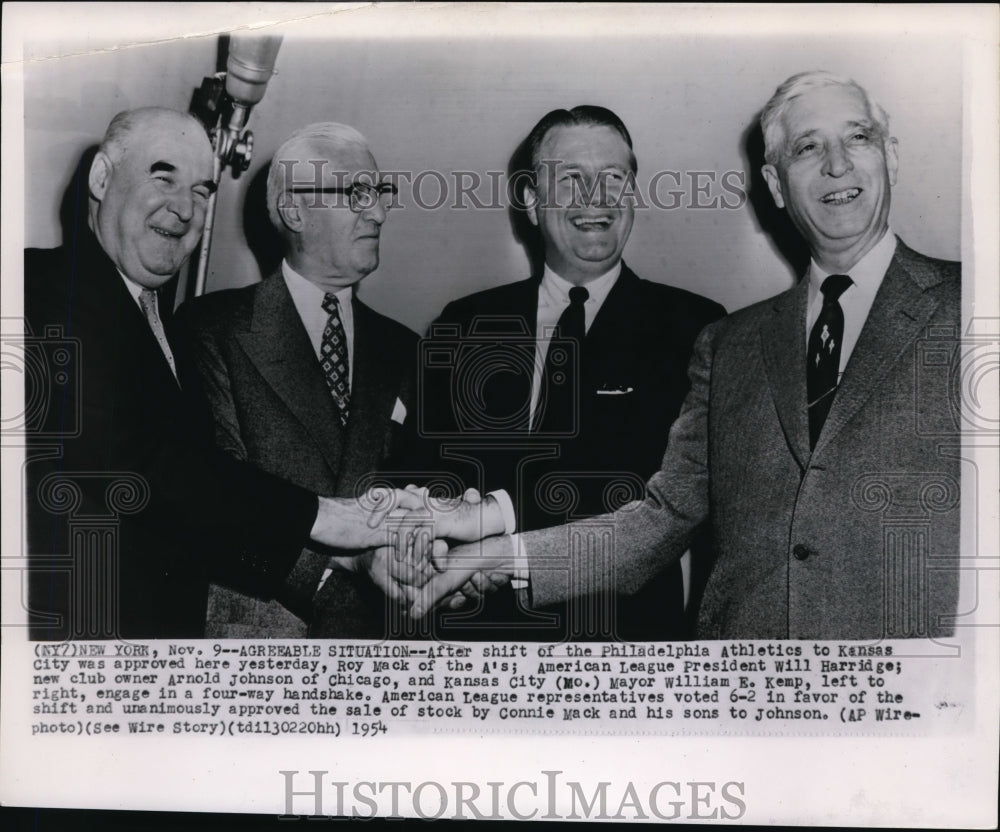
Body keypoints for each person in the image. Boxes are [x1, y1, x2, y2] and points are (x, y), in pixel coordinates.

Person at [410, 72, 962, 640]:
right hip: (744, 690)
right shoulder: (734, 343)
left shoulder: (976, 306)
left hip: (920, 685)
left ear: (891, 157)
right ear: (774, 184)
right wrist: (491, 557)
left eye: (858, 138)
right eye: (807, 147)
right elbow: (660, 519)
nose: (836, 165)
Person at [23, 107, 422, 640]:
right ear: (101, 178)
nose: (185, 209)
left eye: (202, 191)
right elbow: (142, 461)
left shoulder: (155, 317)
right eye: (163, 176)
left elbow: (195, 495)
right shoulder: (40, 288)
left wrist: (357, 559)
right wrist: (325, 518)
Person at [418, 105, 723, 640]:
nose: (595, 198)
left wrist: (490, 527)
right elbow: (422, 470)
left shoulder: (698, 328)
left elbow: (650, 488)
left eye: (613, 179)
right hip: (472, 640)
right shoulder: (464, 323)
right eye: (571, 180)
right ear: (532, 203)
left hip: (624, 647)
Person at [178, 122, 425, 638]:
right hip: (252, 641)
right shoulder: (211, 329)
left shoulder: (405, 348)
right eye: (358, 193)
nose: (378, 211)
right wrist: (335, 578)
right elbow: (213, 490)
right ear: (295, 211)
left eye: (380, 194)